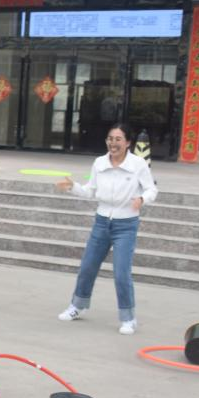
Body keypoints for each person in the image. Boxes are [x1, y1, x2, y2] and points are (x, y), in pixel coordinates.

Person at [54, 123, 157, 334]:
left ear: (128, 143)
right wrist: (73, 187)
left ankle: (128, 318)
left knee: (121, 273)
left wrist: (142, 199)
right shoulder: (99, 162)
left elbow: (151, 189)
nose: (113, 143)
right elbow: (91, 191)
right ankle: (77, 306)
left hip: (126, 225)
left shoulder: (138, 164)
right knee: (87, 267)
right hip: (102, 222)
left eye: (118, 139)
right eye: (110, 139)